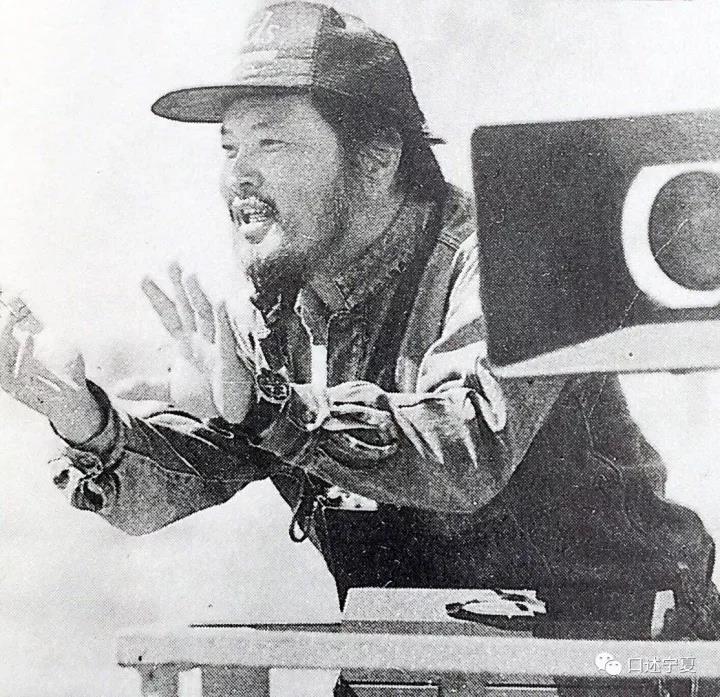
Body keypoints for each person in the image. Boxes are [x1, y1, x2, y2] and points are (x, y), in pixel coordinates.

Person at [1, 1, 719, 650]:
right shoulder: (275, 306)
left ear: (377, 158)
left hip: (619, 659)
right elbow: (202, 463)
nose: (238, 177)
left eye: (271, 144)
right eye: (229, 148)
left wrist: (272, 409)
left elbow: (466, 448)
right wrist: (86, 420)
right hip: (410, 660)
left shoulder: (508, 256)